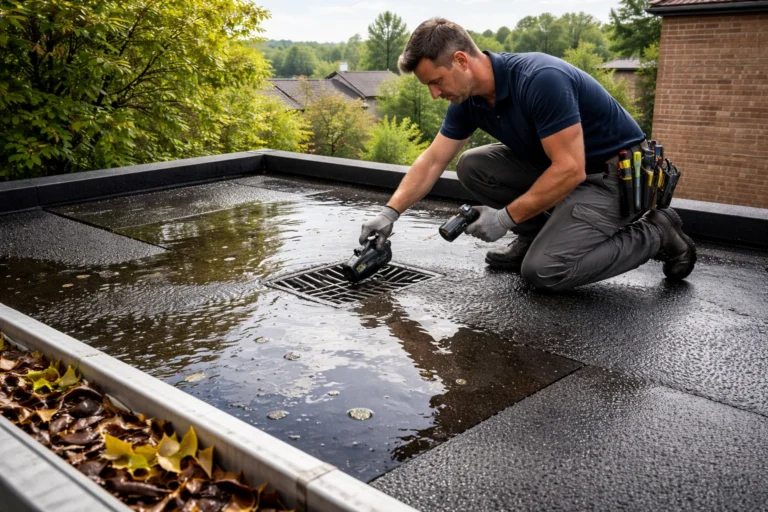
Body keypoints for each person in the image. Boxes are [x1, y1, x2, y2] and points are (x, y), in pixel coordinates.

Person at [359, 18, 696, 292]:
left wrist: (504, 217)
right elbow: (433, 159)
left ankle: (657, 232)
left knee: (545, 271)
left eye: (436, 82)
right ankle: (533, 235)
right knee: (473, 166)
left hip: (609, 177)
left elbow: (570, 170)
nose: (434, 94)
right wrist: (390, 213)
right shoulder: (468, 98)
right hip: (560, 166)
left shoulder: (539, 80)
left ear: (461, 61)